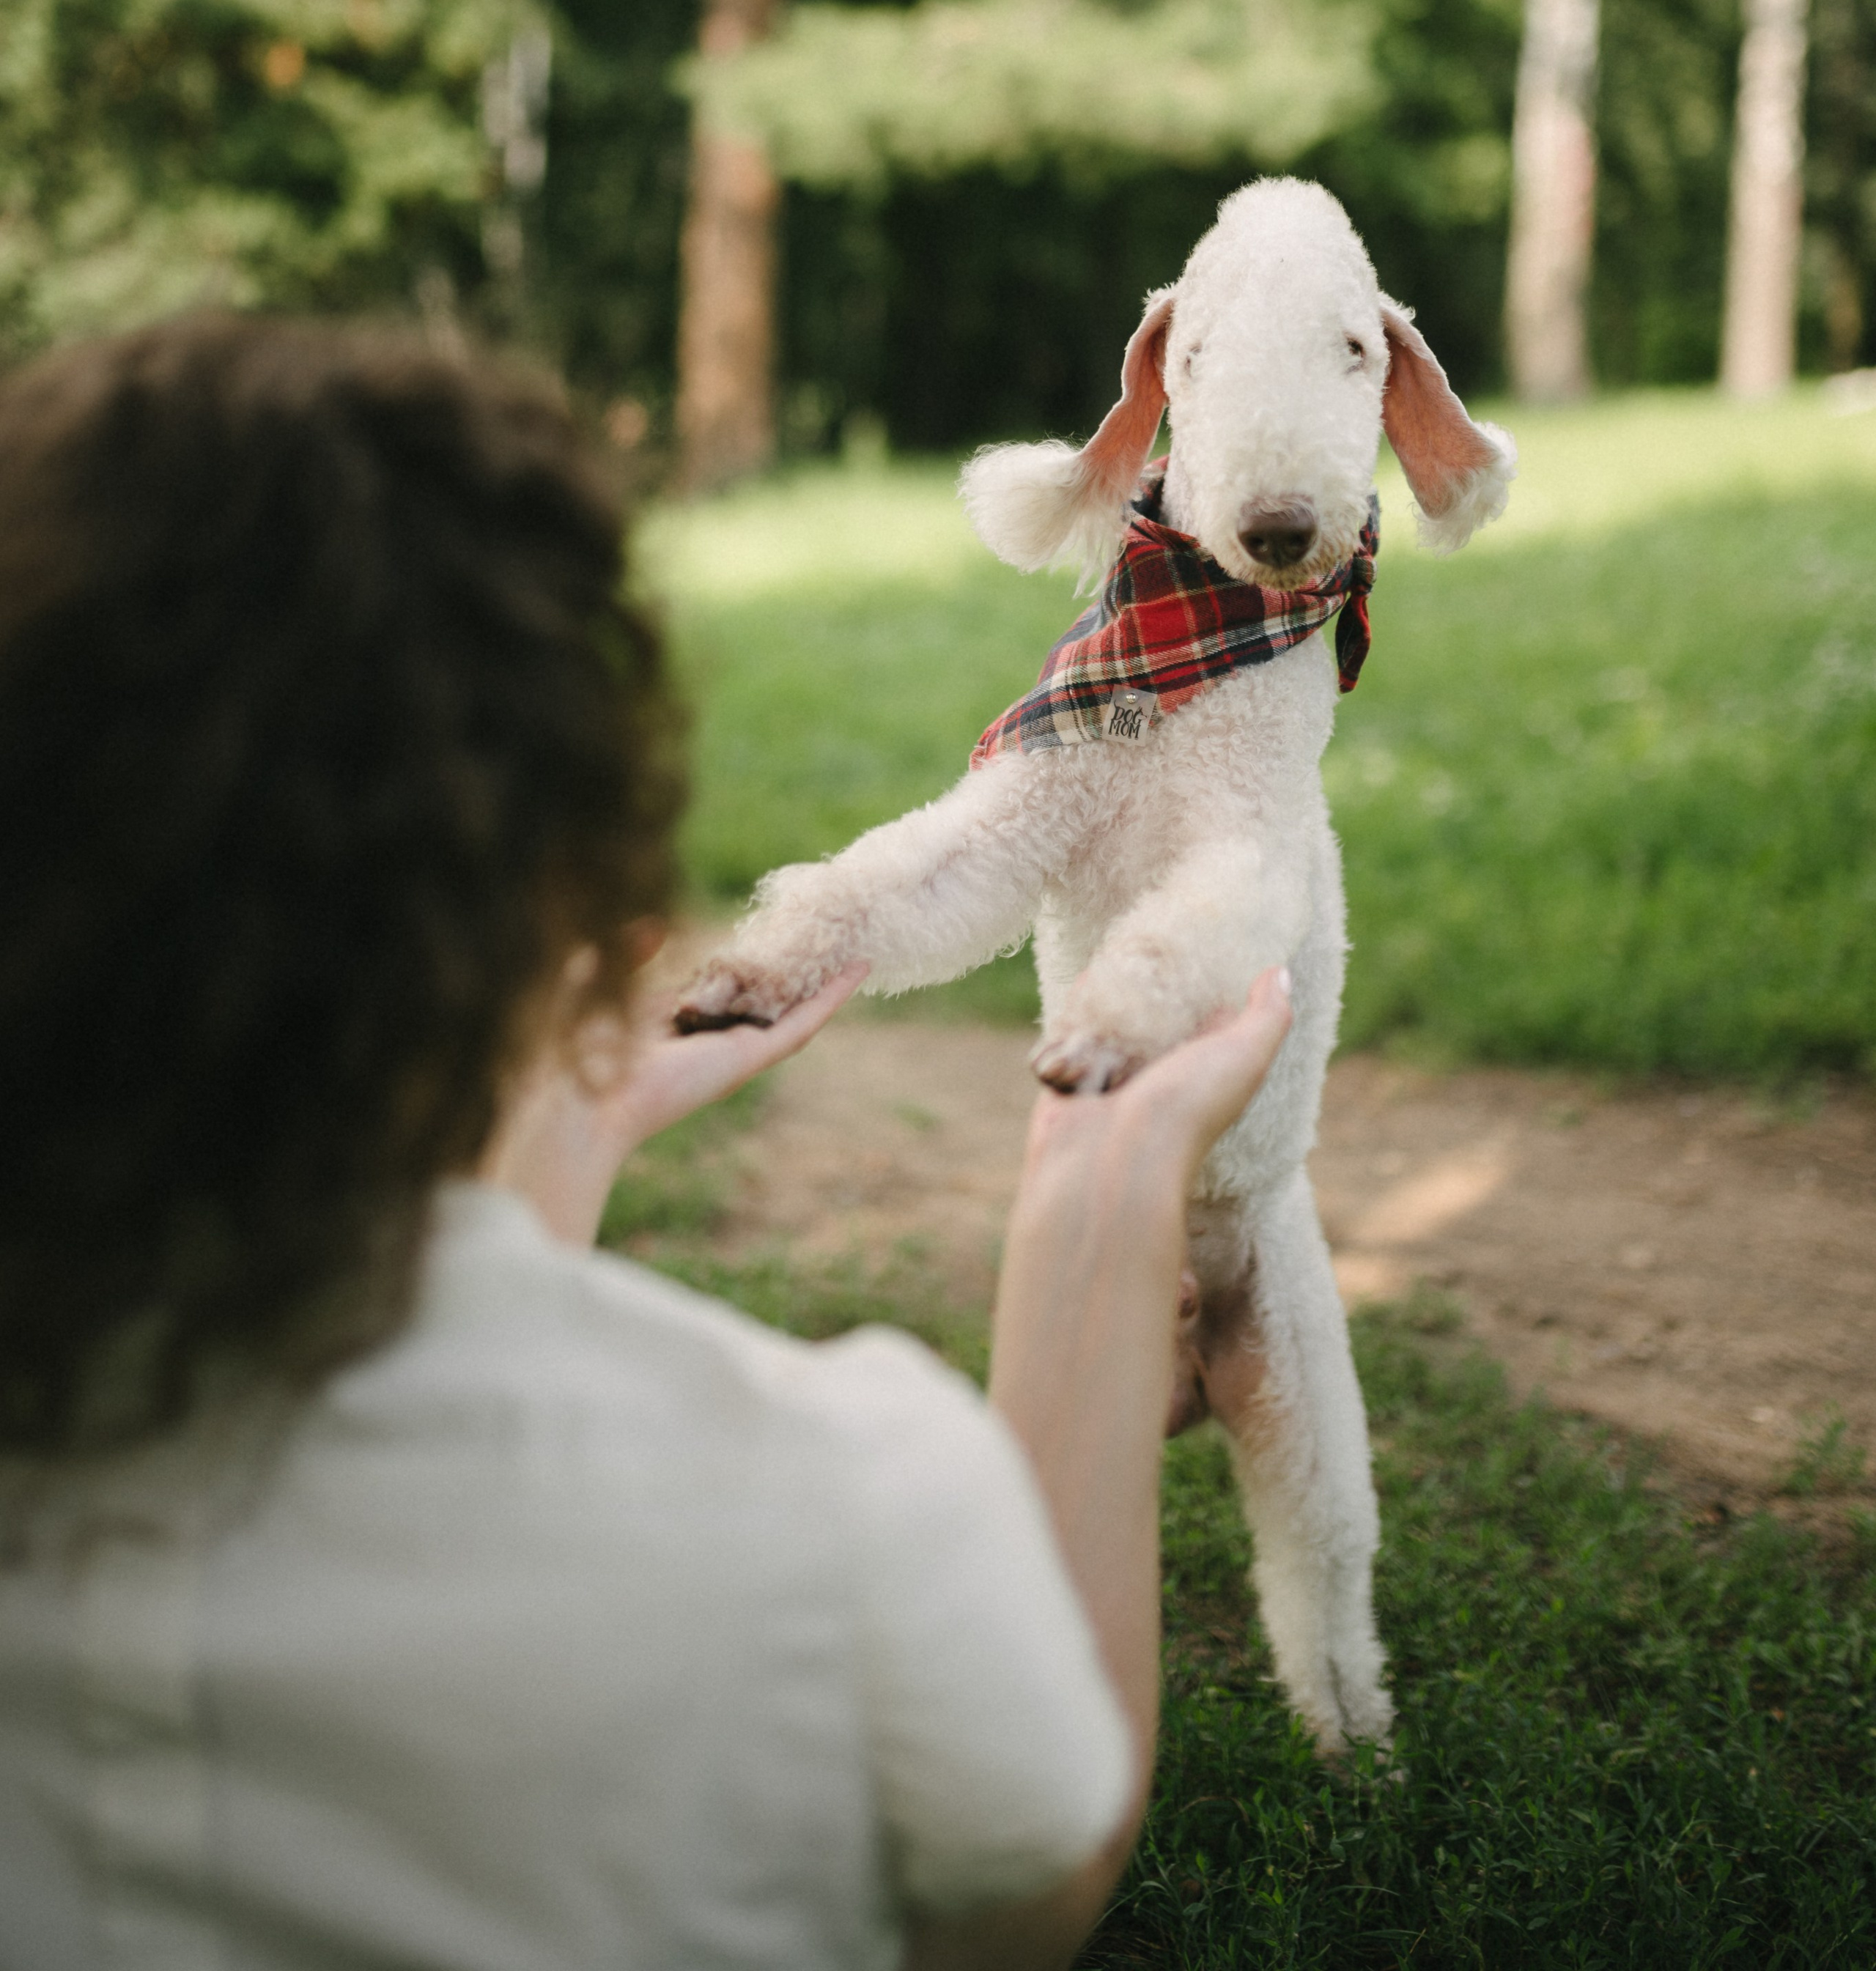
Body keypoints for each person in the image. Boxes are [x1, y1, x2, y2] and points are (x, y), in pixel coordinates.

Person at [0, 313, 1292, 1971]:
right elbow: (1036, 1858)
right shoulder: (830, 1510)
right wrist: (1092, 1219)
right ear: (575, 903)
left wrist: (541, 1145)